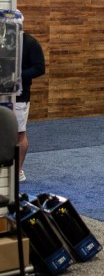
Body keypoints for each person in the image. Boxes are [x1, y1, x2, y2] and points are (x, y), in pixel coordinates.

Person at [14, 29, 45, 182]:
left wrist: (17, 76)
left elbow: (40, 68)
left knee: (19, 134)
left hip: (19, 96)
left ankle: (18, 171)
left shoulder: (30, 43)